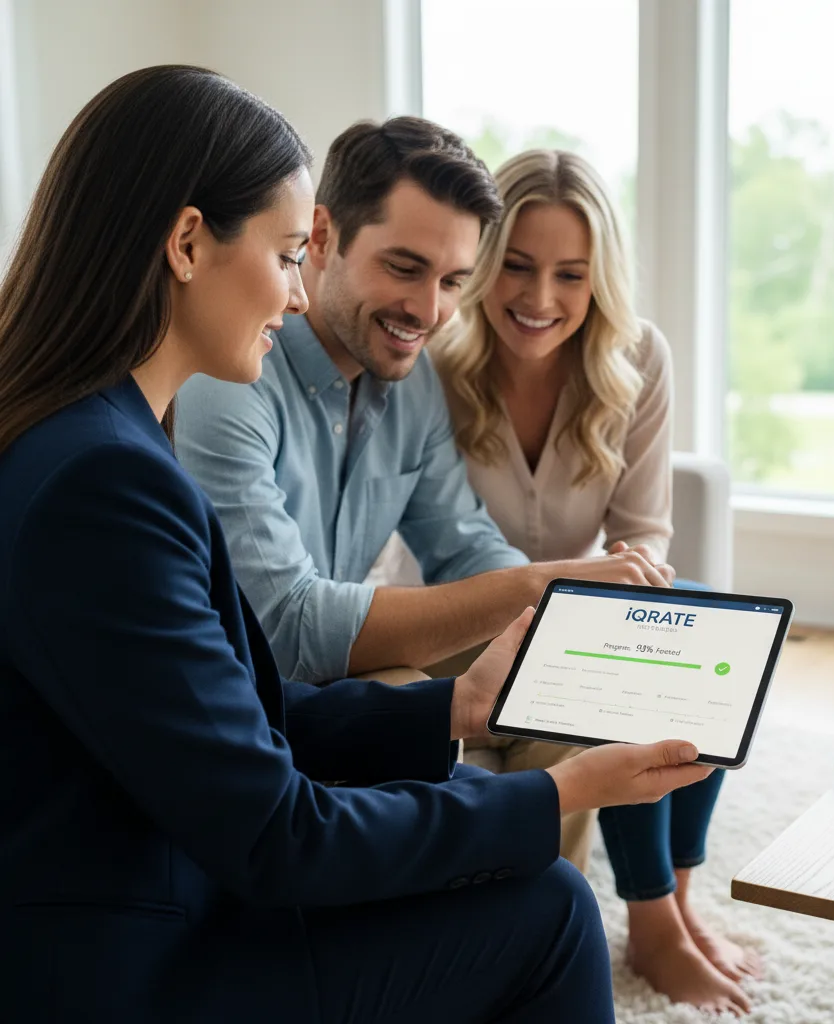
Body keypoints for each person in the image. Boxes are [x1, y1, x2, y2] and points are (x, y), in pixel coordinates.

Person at [0, 67, 715, 1023]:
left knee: (531, 889)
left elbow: (229, 718)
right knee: (548, 911)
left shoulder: (92, 438)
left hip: (160, 879)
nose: (295, 294)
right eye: (289, 253)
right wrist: (554, 796)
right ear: (185, 244)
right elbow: (281, 831)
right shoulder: (108, 480)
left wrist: (453, 707)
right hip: (127, 964)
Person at [175, 115, 674, 871]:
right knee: (422, 716)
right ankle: (489, 925)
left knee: (568, 694)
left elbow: (461, 540)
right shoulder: (236, 371)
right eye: (404, 267)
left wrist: (565, 620)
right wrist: (542, 581)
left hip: (337, 669)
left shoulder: (406, 377)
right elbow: (282, 628)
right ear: (321, 236)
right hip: (262, 702)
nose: (428, 310)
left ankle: (530, 917)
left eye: (451, 282)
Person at [432, 149, 761, 1016]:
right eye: (517, 265)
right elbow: (435, 545)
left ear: (598, 278)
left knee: (703, 639)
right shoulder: (436, 361)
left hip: (581, 608)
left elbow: (646, 527)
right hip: (464, 622)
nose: (540, 299)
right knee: (634, 673)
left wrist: (625, 594)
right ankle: (651, 921)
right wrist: (556, 601)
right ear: (483, 261)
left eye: (569, 274)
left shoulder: (637, 357)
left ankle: (677, 898)